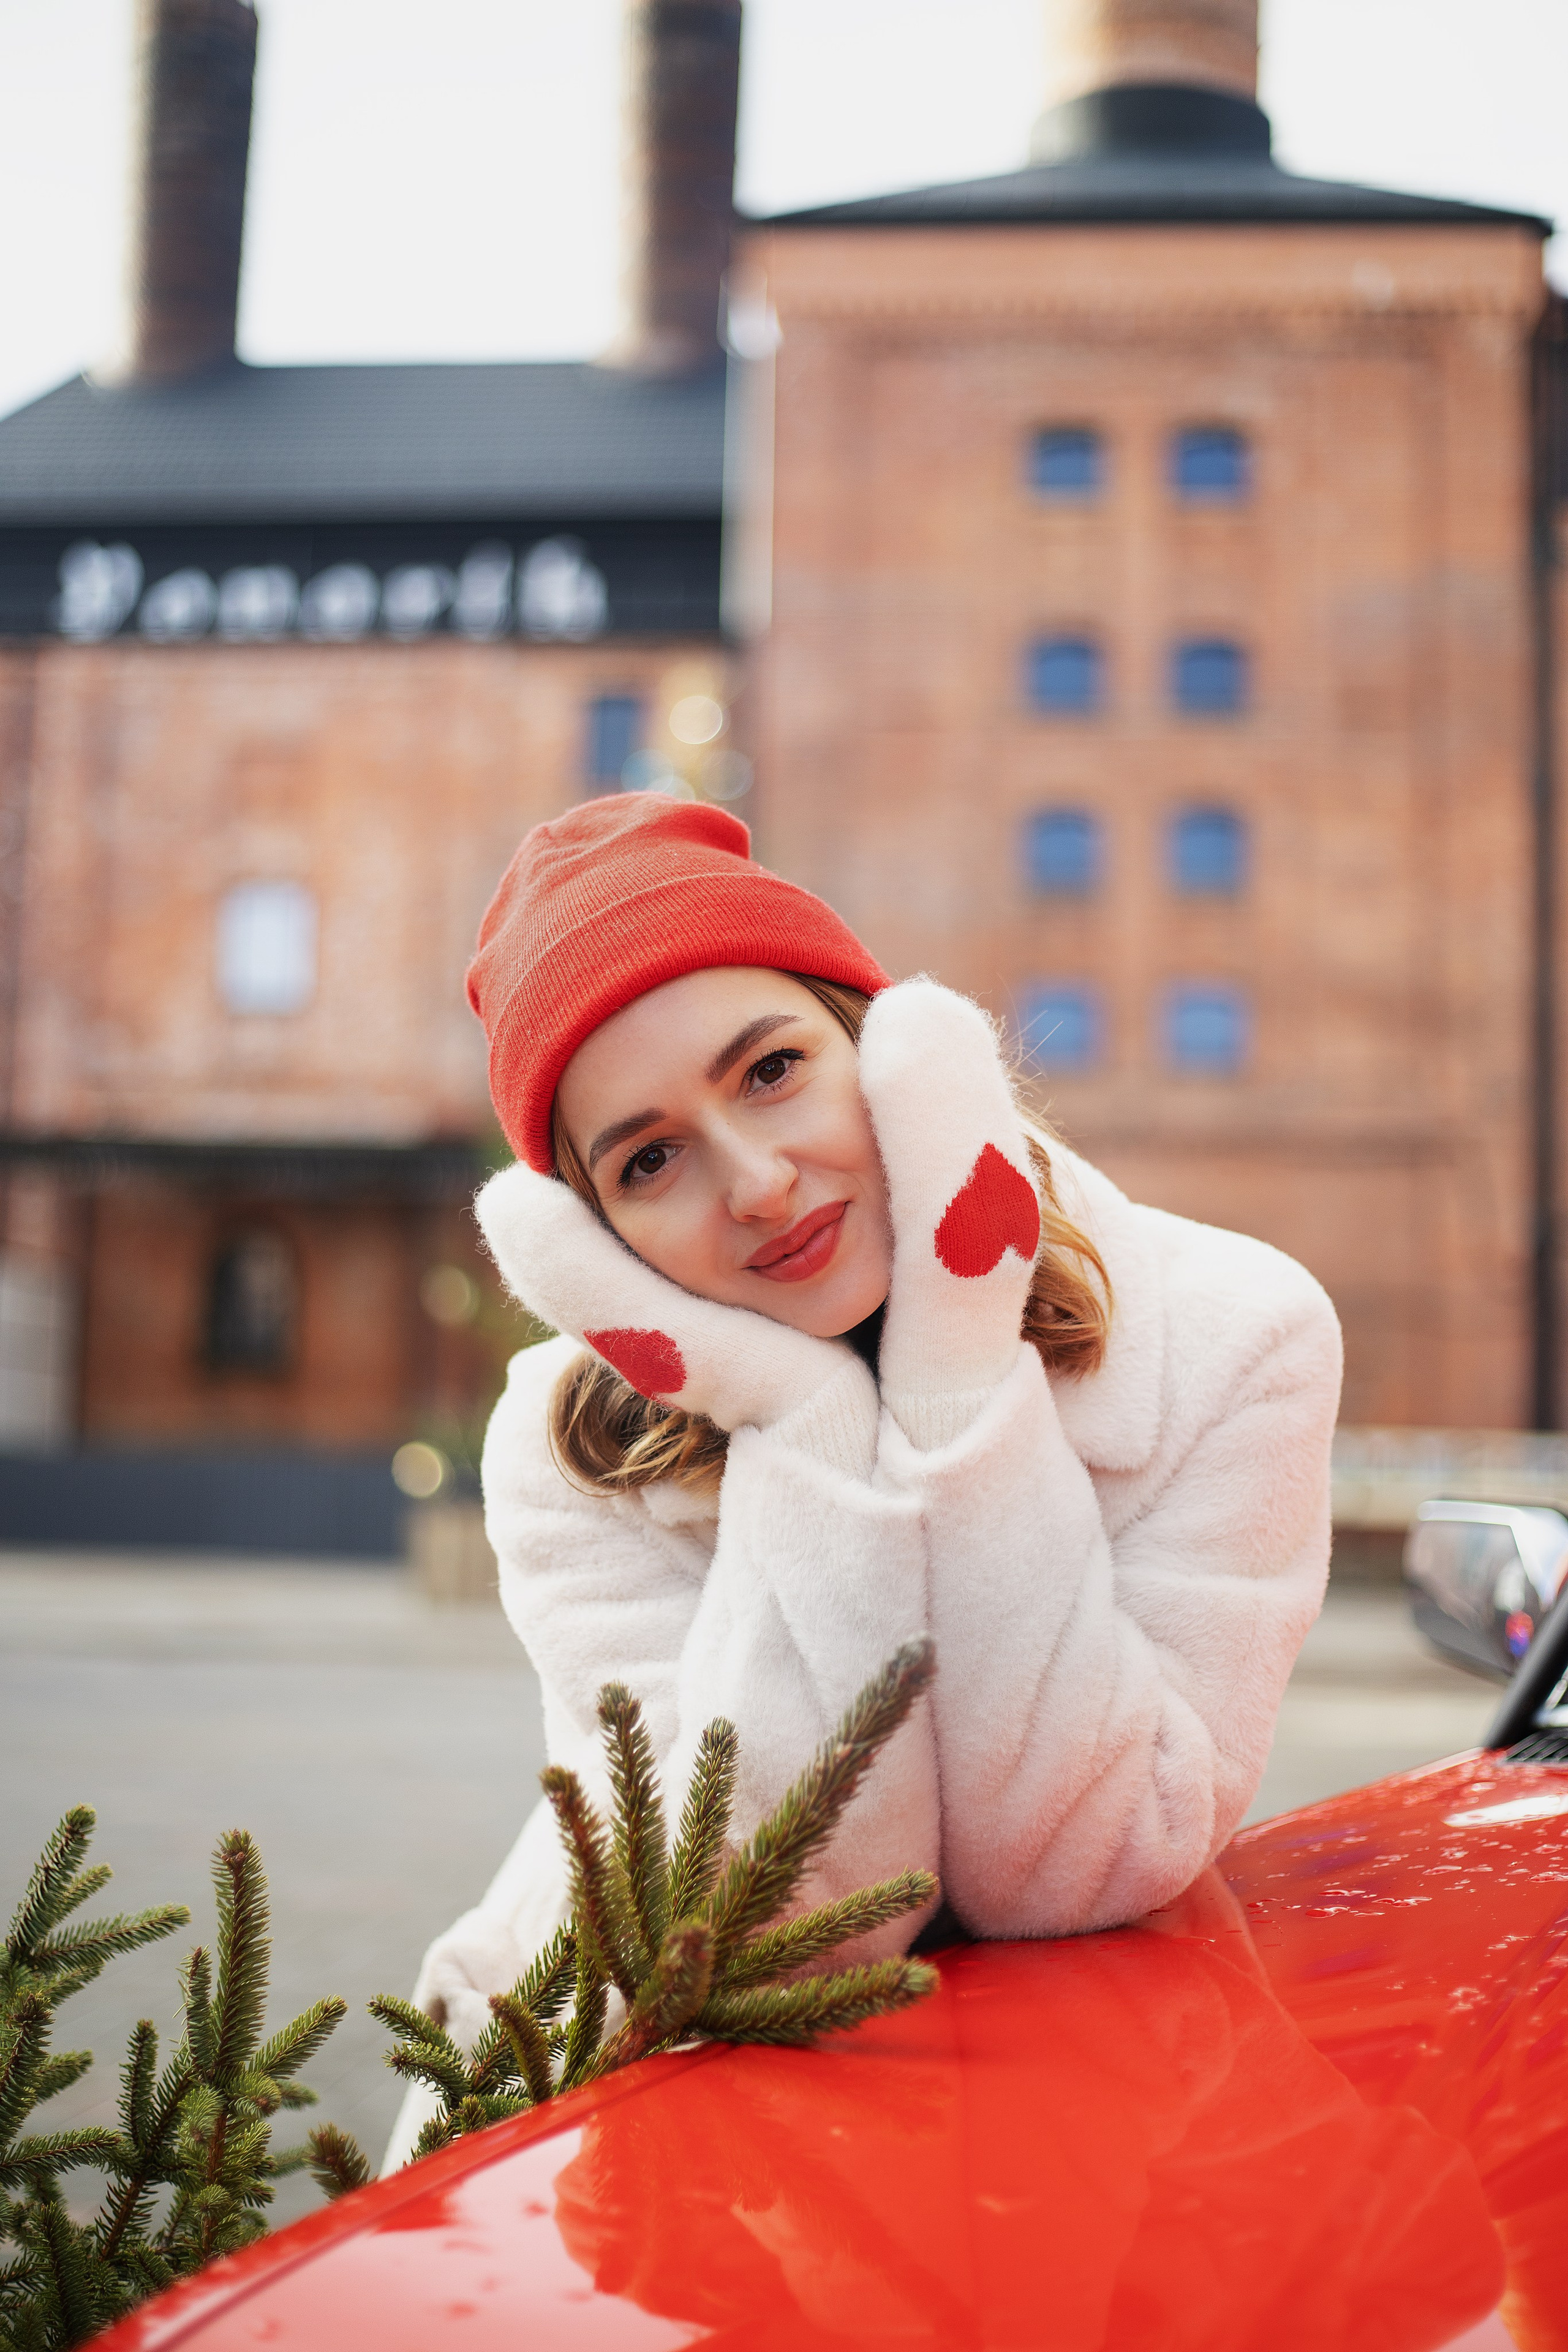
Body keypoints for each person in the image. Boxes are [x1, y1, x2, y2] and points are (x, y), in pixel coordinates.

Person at [385, 792, 1340, 2163]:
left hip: (1107, 2140)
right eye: (648, 1160)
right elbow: (765, 1933)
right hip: (658, 2119)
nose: (758, 1183)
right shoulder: (562, 1445)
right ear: (590, 1241)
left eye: (770, 1070)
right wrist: (803, 1423)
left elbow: (1084, 1865)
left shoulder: (1236, 1334)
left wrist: (958, 1367)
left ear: (881, 1049)